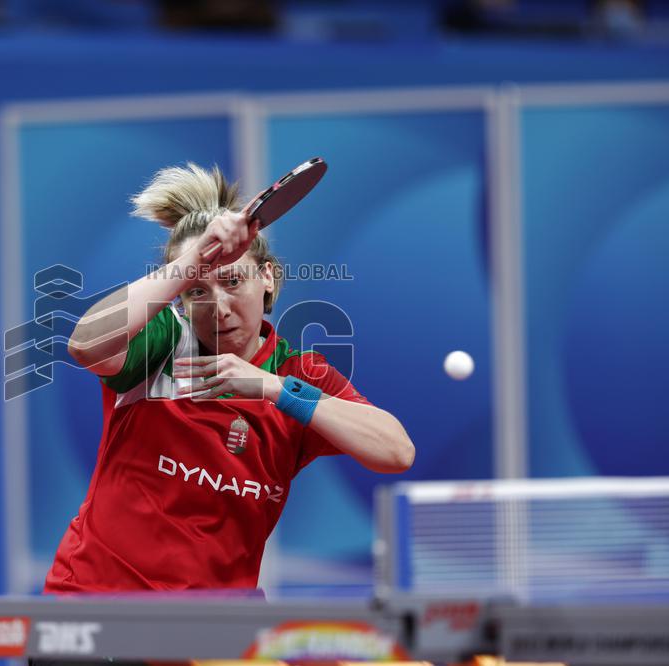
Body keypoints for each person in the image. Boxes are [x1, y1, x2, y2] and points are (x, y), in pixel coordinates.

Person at [46, 162, 415, 593]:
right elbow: (84, 345)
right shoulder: (163, 342)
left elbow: (396, 451)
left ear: (268, 279)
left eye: (232, 281)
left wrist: (273, 389)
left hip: (213, 626)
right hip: (99, 605)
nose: (217, 307)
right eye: (197, 290)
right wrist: (191, 259)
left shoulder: (297, 374)